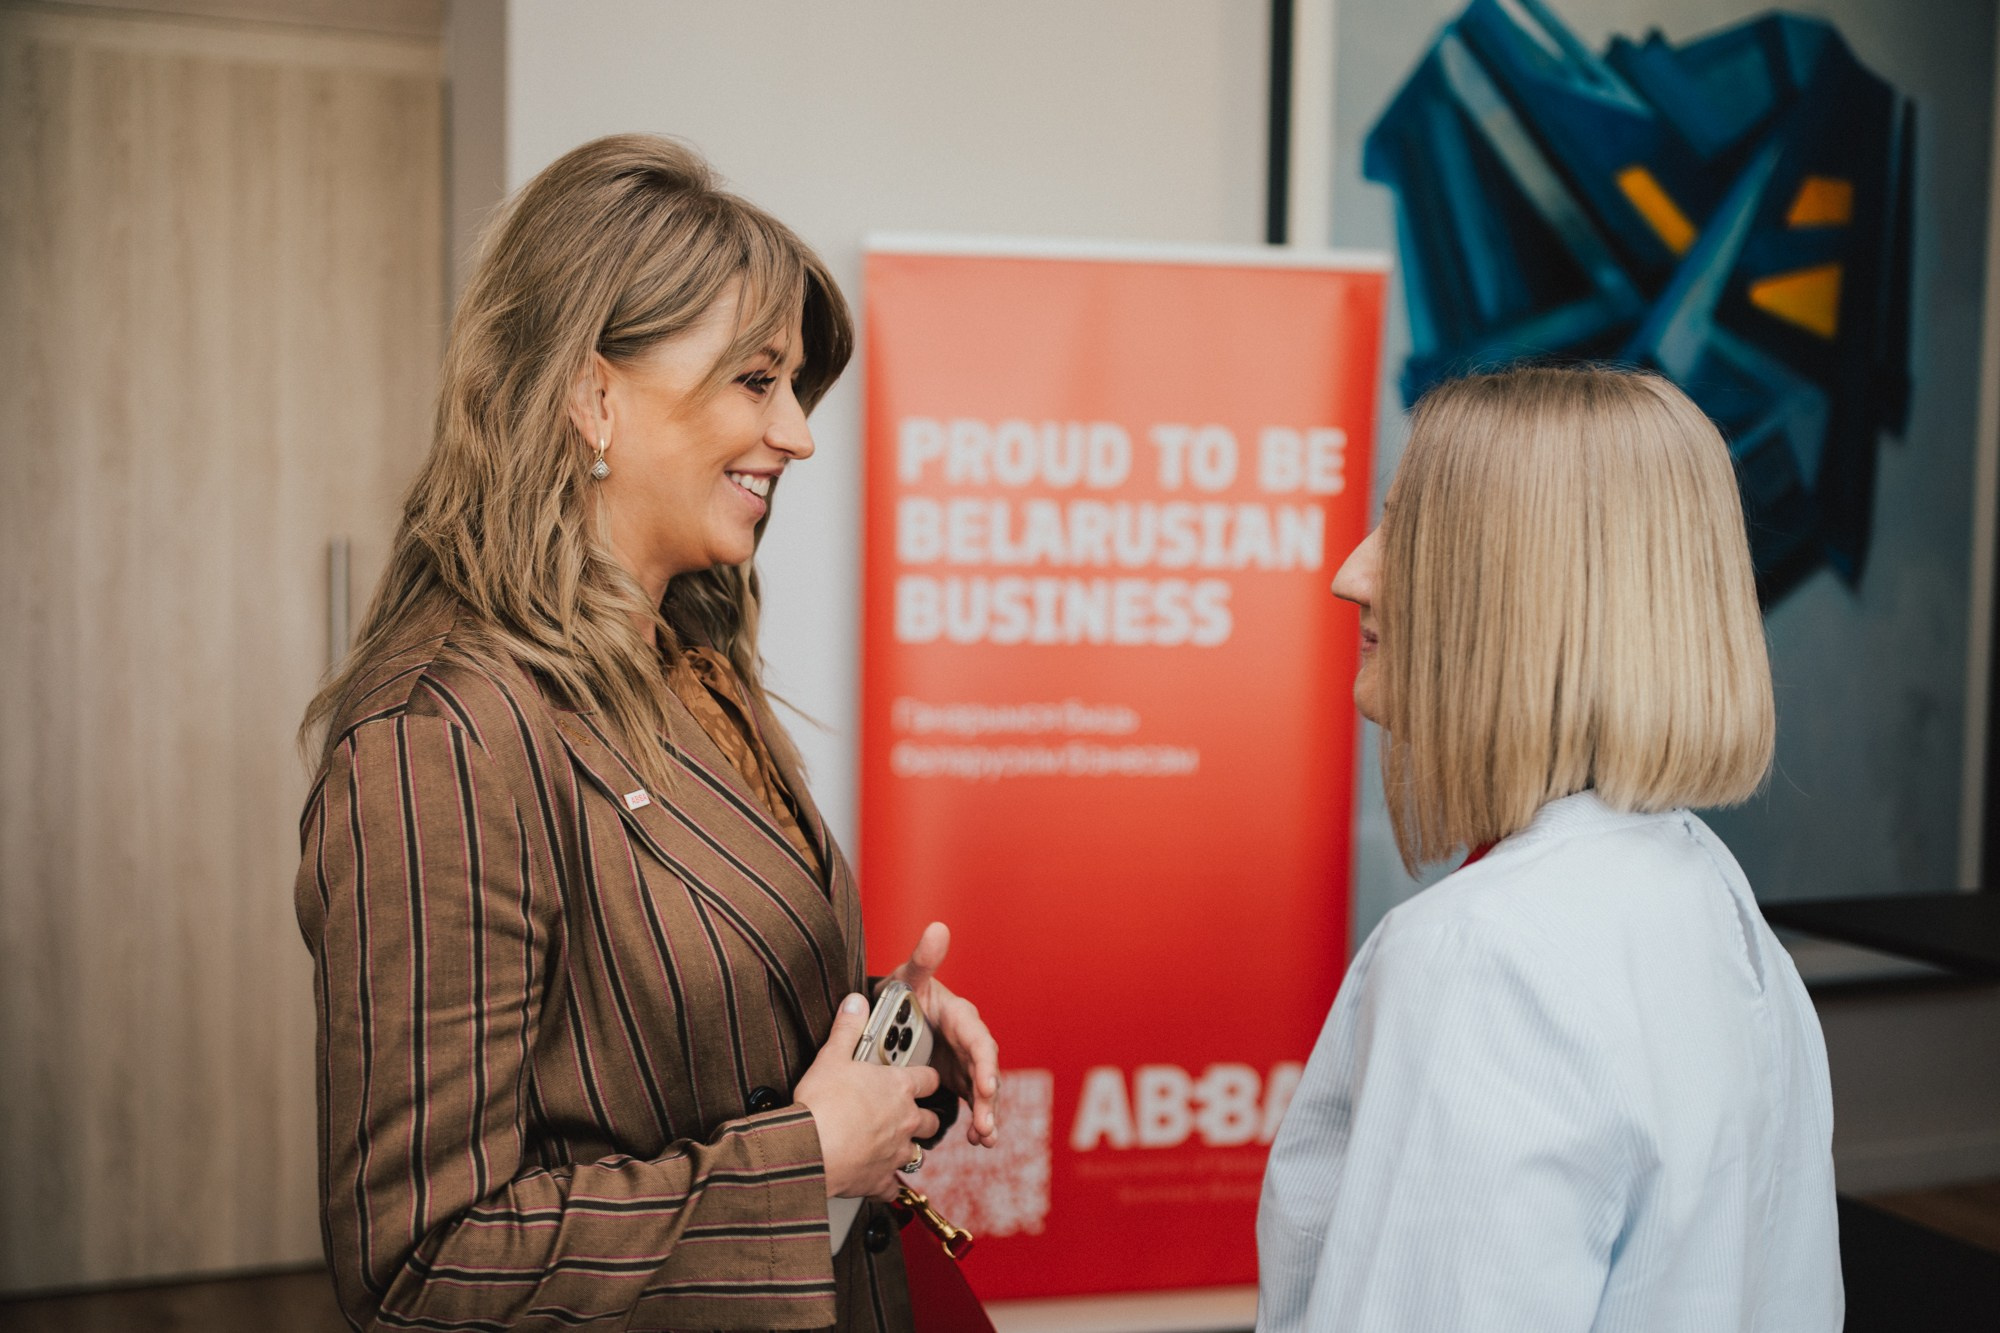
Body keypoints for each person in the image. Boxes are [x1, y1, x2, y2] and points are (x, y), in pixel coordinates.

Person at [295, 134, 999, 1333]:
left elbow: (674, 1015)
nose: (798, 433)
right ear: (591, 393)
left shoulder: (689, 661)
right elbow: (423, 1270)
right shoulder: (439, 734)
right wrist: (807, 1158)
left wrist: (888, 1033)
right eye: (753, 381)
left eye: (793, 387)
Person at [1257, 366, 1841, 1332]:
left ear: (1526, 590)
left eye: (1408, 530)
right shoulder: (1707, 893)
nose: (1351, 572)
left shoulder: (1486, 956)